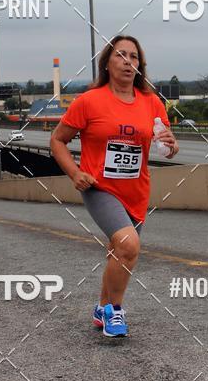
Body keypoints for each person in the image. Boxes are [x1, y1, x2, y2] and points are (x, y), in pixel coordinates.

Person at [50, 35, 178, 338]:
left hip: (137, 190)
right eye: (121, 55)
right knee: (128, 245)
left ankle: (101, 307)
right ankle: (114, 310)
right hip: (100, 187)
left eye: (134, 57)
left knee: (118, 252)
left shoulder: (152, 103)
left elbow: (166, 148)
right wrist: (74, 173)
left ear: (140, 65)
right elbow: (57, 140)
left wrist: (172, 146)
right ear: (107, 63)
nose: (127, 62)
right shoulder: (89, 101)